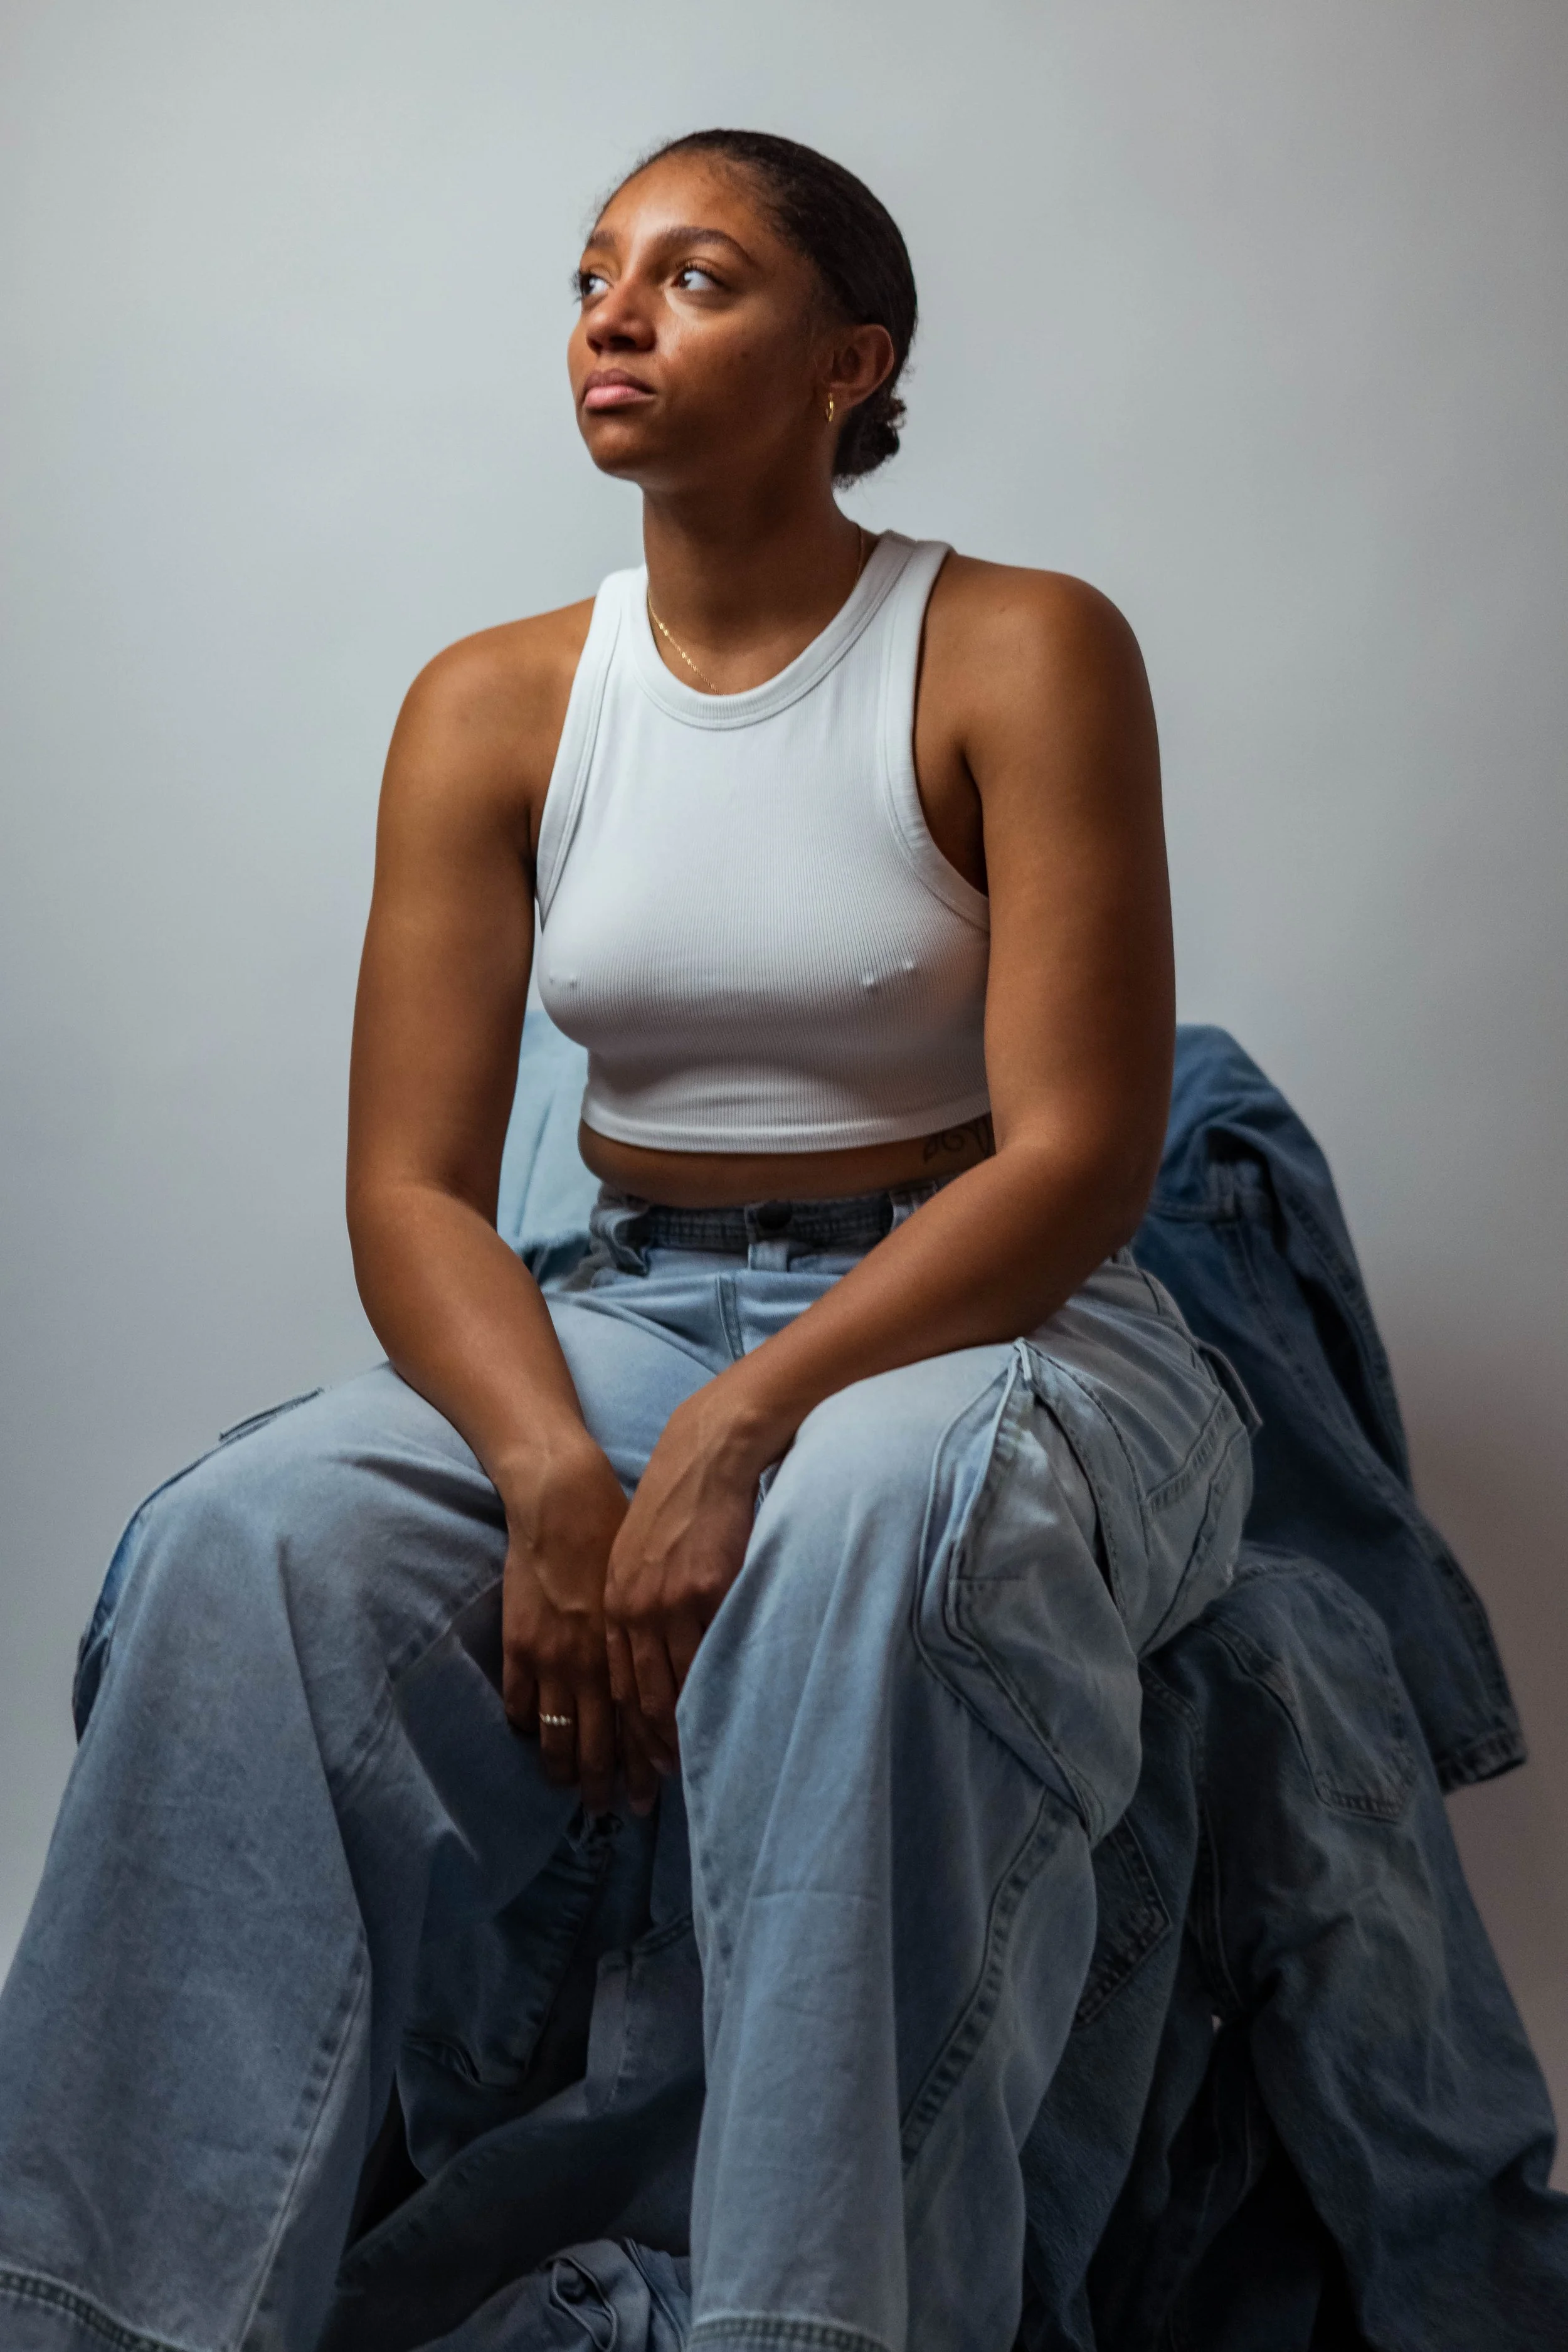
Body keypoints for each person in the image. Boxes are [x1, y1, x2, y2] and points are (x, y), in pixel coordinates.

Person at [0, 130, 1254, 2352]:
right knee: (247, 1541)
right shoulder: (494, 700)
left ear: (847, 361)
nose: (612, 313)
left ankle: (801, 2326)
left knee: (873, 1527)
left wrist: (746, 1426)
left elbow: (1078, 1157)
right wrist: (552, 1470)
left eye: (696, 277)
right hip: (632, 1304)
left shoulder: (1017, 645)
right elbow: (412, 1190)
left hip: (989, 1305)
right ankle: (96, 2317)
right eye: (595, 274)